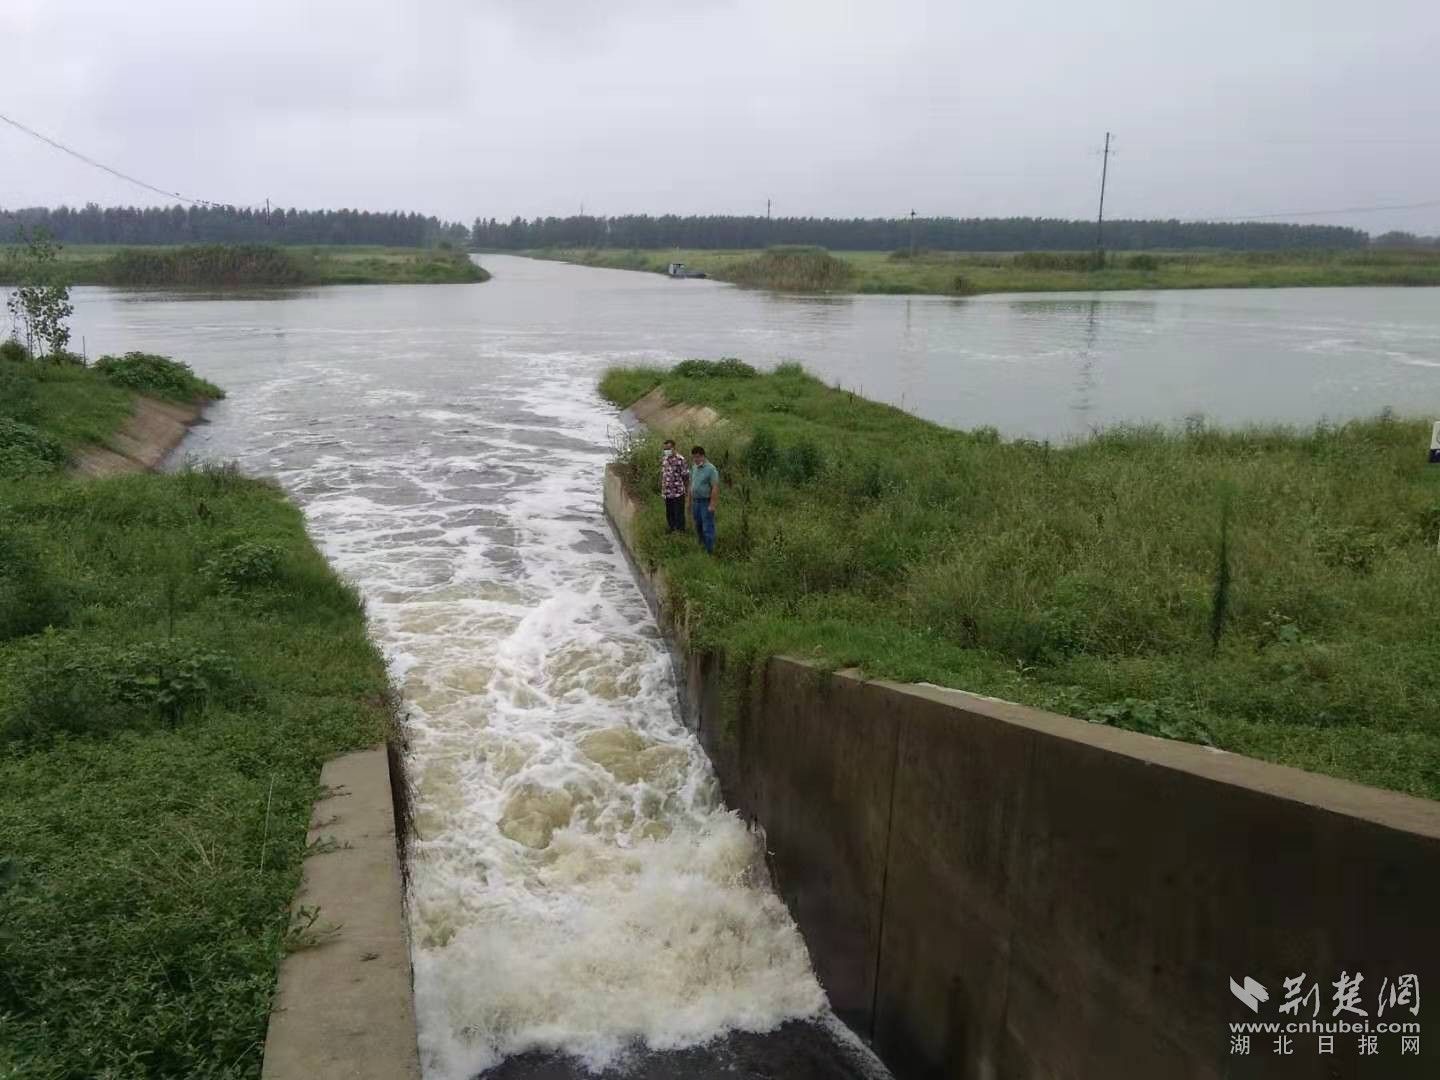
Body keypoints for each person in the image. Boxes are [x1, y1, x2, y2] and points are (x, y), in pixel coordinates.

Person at [689, 445, 719, 554]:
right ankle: (701, 546)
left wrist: (712, 504)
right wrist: (689, 501)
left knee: (707, 527)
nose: (695, 460)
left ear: (703, 456)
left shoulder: (711, 469)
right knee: (698, 525)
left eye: (697, 457)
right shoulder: (694, 467)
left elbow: (715, 487)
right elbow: (691, 484)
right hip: (696, 501)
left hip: (705, 502)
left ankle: (709, 550)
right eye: (694, 457)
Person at [660, 439, 688, 532]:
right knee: (669, 512)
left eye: (668, 448)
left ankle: (680, 531)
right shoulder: (665, 459)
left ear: (674, 448)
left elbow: (685, 475)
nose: (666, 451)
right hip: (667, 492)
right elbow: (664, 475)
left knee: (679, 512)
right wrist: (663, 490)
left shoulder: (681, 459)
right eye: (665, 449)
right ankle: (671, 528)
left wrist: (686, 490)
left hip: (678, 492)